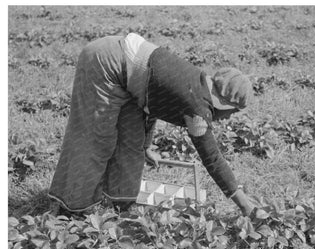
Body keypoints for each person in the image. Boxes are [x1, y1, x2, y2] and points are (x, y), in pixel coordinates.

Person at [48, 33, 257, 217]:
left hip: (127, 77)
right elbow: (211, 158)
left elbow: (153, 103)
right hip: (105, 63)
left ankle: (122, 202)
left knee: (132, 142)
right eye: (233, 111)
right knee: (96, 140)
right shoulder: (198, 110)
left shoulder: (199, 85)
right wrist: (244, 203)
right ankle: (73, 208)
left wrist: (147, 145)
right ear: (224, 104)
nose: (230, 118)